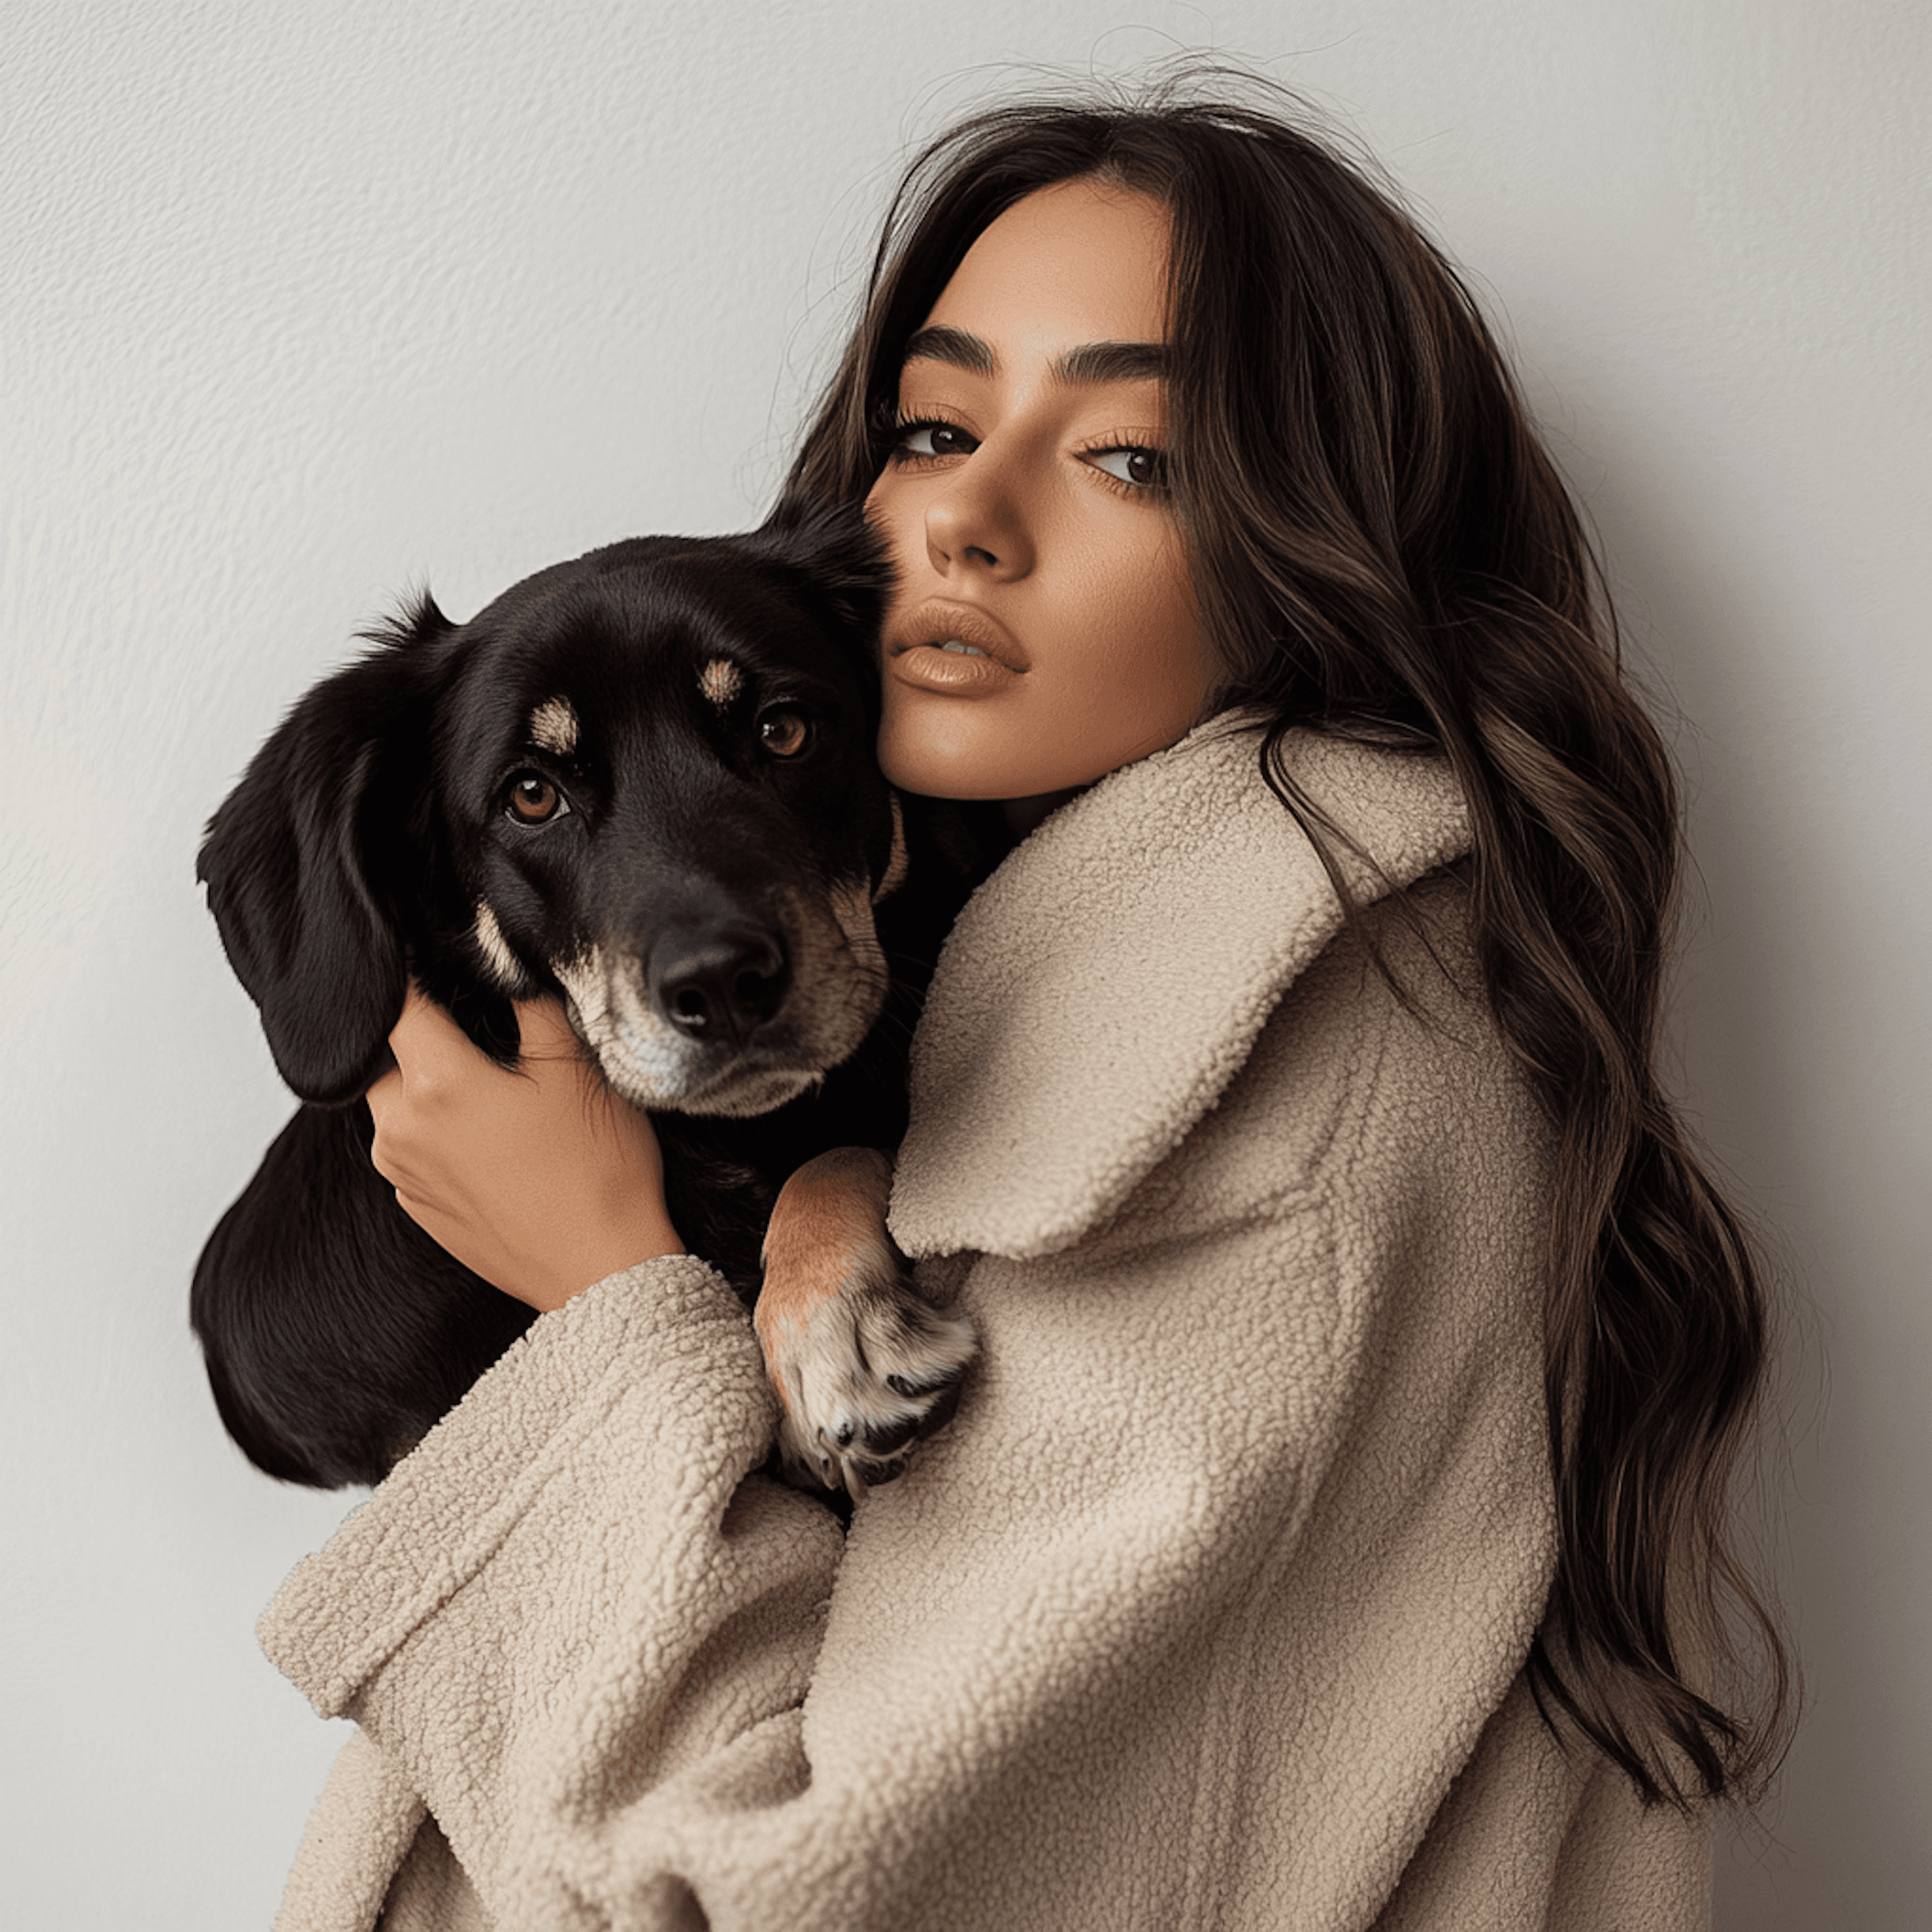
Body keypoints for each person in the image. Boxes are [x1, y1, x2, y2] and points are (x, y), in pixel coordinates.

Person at [260, 82, 1789, 1930]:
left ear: (1321, 545)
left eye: (1130, 454)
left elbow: (820, 1892)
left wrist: (604, 1286)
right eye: (936, 425)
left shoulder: (1282, 1084)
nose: (966, 523)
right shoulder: (1042, 985)